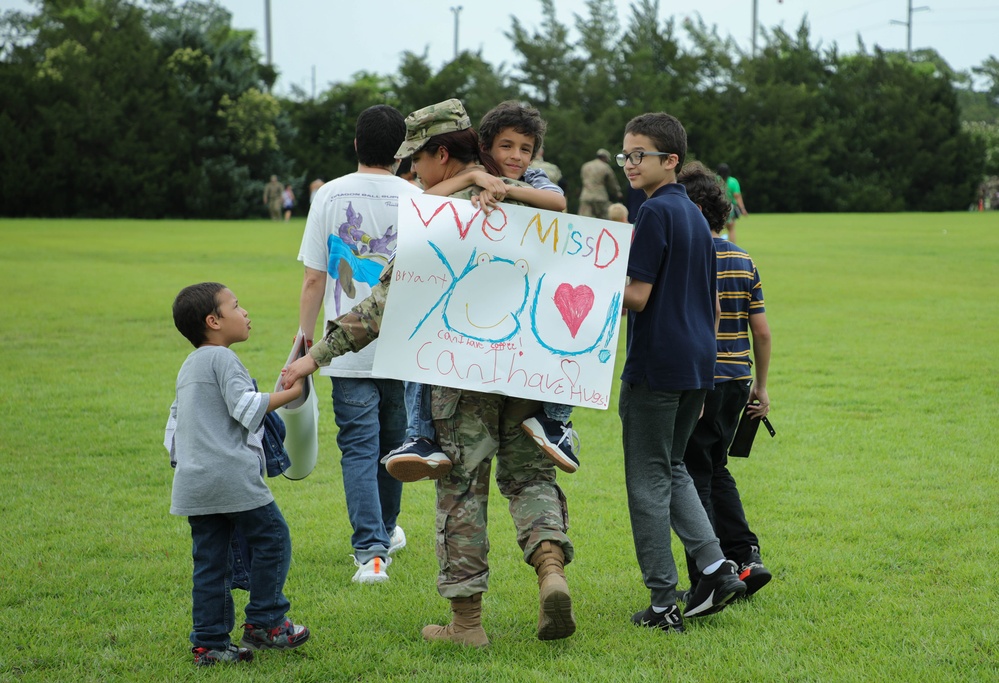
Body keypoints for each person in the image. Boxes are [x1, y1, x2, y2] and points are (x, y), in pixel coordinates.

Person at [283, 99, 576, 648]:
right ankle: (551, 573)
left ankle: (466, 626)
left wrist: (313, 356)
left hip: (459, 380)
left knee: (462, 490)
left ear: (441, 155)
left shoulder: (440, 213)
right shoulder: (529, 199)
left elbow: (382, 305)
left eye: (417, 164)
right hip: (527, 376)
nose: (414, 177)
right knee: (531, 478)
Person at [385, 100, 580, 475]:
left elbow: (557, 202)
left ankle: (554, 420)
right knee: (420, 340)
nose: (517, 156)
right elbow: (420, 208)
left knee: (569, 329)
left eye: (525, 149)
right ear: (486, 147)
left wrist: (506, 189)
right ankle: (419, 433)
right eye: (507, 146)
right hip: (465, 307)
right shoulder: (472, 178)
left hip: (517, 304)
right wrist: (471, 180)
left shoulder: (531, 179)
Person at [619, 112, 746, 634]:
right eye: (625, 154)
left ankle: (662, 602)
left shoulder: (653, 213)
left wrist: (581, 274)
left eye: (639, 155)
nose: (629, 163)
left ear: (669, 160)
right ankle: (716, 569)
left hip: (657, 366)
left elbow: (638, 296)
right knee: (672, 468)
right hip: (699, 364)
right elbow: (710, 305)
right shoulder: (696, 215)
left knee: (646, 479)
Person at [297, 104, 419, 584]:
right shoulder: (419, 195)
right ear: (401, 151)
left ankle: (371, 551)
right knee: (394, 448)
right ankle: (383, 534)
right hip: (404, 345)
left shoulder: (329, 194)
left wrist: (307, 339)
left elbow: (313, 277)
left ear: (355, 145)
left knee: (358, 448)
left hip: (343, 346)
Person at [166, 282, 309, 666]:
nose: (244, 312)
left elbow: (174, 426)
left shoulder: (189, 366)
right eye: (236, 306)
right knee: (273, 538)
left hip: (194, 483)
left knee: (211, 562)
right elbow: (246, 408)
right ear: (213, 321)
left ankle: (210, 643)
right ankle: (266, 621)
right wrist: (290, 395)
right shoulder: (223, 360)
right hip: (230, 476)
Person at [677, 161, 773, 598]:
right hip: (739, 379)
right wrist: (762, 386)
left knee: (691, 472)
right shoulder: (743, 257)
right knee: (717, 467)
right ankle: (747, 555)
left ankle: (710, 572)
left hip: (702, 378)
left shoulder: (693, 255)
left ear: (695, 210)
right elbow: (763, 331)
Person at [578, 148, 622, 219]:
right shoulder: (606, 167)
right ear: (605, 158)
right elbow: (612, 182)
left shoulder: (586, 166)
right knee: (604, 219)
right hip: (600, 197)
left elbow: (583, 179)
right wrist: (618, 193)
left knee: (584, 219)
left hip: (586, 196)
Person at [717, 163, 748, 244]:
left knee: (717, 229)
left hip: (717, 206)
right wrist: (742, 209)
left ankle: (717, 247)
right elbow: (737, 196)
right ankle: (732, 248)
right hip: (730, 207)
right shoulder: (733, 181)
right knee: (731, 229)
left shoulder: (715, 180)